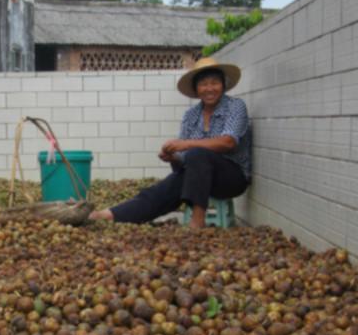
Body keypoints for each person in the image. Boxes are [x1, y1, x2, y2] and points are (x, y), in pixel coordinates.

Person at [89, 57, 251, 229]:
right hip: (198, 178)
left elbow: (228, 142)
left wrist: (187, 145)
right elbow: (185, 159)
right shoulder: (191, 115)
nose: (209, 89)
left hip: (231, 178)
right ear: (196, 89)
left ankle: (197, 222)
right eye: (203, 84)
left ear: (223, 85)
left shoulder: (235, 106)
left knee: (198, 153)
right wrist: (173, 157)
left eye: (214, 83)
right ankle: (112, 215)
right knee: (163, 189)